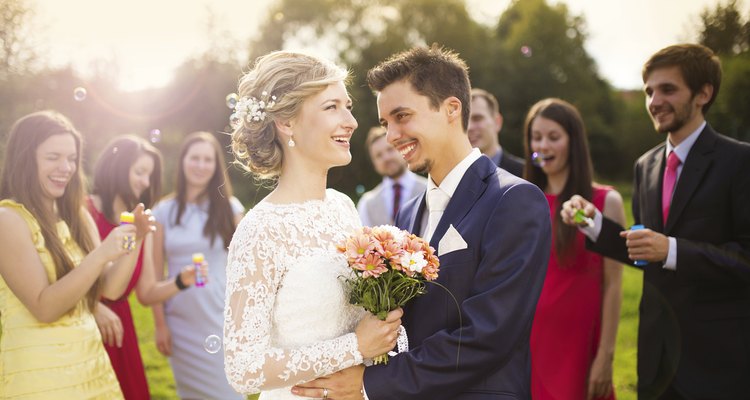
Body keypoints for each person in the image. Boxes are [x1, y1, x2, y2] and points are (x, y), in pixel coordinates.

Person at [292, 44, 551, 400]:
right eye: (385, 123)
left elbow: (488, 335)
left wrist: (370, 384)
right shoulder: (407, 213)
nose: (392, 135)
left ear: (450, 109)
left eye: (402, 116)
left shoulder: (514, 201)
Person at [561, 44, 750, 399]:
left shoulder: (740, 162)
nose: (654, 101)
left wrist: (673, 250)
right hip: (656, 358)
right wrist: (593, 222)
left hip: (719, 361)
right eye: (649, 91)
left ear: (703, 94)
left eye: (668, 89)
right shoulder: (645, 165)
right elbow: (644, 250)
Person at [223, 50, 402, 400]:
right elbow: (243, 369)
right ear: (287, 123)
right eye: (332, 107)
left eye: (347, 106)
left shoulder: (343, 207)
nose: (350, 121)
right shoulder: (261, 229)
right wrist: (354, 346)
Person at [0, 110, 153, 399]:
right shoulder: (9, 219)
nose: (66, 167)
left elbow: (110, 288)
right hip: (41, 375)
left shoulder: (78, 215)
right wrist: (100, 255)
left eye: (71, 158)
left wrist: (137, 238)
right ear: (25, 158)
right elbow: (43, 308)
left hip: (89, 366)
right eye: (53, 157)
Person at [523, 98, 624, 400]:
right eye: (536, 137)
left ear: (574, 141)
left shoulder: (606, 202)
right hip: (531, 344)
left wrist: (605, 356)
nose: (544, 145)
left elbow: (614, 283)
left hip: (580, 345)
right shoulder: (524, 201)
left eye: (554, 137)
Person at [88, 134, 203, 399]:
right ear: (118, 167)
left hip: (121, 331)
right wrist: (93, 306)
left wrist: (180, 281)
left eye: (149, 176)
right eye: (139, 172)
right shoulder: (85, 211)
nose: (145, 182)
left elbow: (146, 292)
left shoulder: (143, 224)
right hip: (88, 326)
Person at [151, 131, 245, 399]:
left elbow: (248, 263)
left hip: (219, 317)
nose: (201, 165)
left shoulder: (230, 208)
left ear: (216, 167)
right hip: (180, 322)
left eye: (208, 160)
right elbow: (155, 277)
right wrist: (160, 325)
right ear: (183, 162)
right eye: (195, 158)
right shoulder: (162, 211)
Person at [357, 126, 427, 226]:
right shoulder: (367, 203)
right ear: (374, 164)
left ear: (403, 149)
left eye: (390, 150)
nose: (386, 158)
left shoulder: (429, 190)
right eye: (378, 155)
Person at [468, 88, 524, 177]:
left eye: (477, 118)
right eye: (464, 121)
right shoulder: (453, 177)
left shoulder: (525, 173)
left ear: (497, 122)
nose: (469, 127)